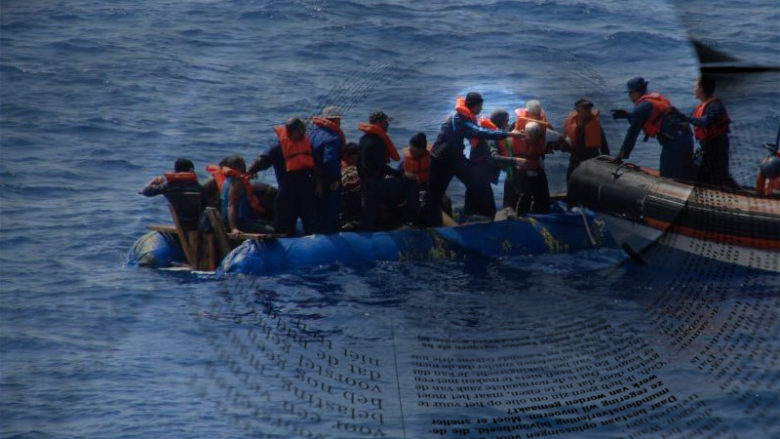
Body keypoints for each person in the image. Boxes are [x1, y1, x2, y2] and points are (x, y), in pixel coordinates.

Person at [420, 92, 524, 226]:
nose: (481, 109)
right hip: (441, 161)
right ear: (474, 106)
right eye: (480, 106)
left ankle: (477, 216)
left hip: (455, 158)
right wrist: (509, 134)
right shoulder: (460, 120)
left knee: (477, 181)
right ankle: (424, 224)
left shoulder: (463, 116)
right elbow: (481, 132)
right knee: (434, 195)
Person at [248, 117, 320, 236]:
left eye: (303, 130)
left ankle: (311, 241)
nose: (303, 133)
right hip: (287, 192)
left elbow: (316, 166)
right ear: (291, 132)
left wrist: (319, 184)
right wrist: (251, 170)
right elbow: (262, 160)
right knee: (284, 224)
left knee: (310, 222)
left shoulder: (307, 146)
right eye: (300, 131)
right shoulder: (278, 148)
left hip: (306, 190)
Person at [612, 77, 694, 179]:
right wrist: (628, 115)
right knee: (682, 173)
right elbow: (654, 118)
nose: (629, 96)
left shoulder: (641, 107)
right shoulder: (653, 101)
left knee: (668, 177)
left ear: (635, 92)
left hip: (675, 143)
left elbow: (631, 135)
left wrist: (620, 156)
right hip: (686, 137)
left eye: (630, 93)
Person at [357, 111, 417, 230]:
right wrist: (402, 174)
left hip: (365, 183)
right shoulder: (377, 141)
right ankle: (409, 222)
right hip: (376, 185)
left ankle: (367, 230)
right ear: (379, 122)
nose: (387, 124)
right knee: (410, 183)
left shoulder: (364, 139)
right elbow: (382, 167)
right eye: (386, 122)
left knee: (369, 211)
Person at [685, 76, 737, 187]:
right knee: (692, 164)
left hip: (716, 148)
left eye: (695, 87)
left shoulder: (715, 106)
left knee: (716, 175)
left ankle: (732, 190)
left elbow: (705, 121)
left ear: (701, 89)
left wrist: (686, 118)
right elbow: (692, 118)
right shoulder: (702, 106)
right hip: (705, 148)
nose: (693, 89)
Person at [310, 106, 346, 234]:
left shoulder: (313, 134)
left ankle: (315, 232)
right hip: (327, 180)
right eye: (339, 119)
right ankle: (329, 235)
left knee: (317, 209)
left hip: (313, 177)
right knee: (330, 209)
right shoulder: (332, 138)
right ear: (334, 120)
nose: (340, 122)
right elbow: (329, 160)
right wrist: (335, 178)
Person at [219, 155, 275, 236]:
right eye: (242, 164)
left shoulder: (228, 180)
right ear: (237, 167)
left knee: (272, 223)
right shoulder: (236, 183)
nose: (245, 167)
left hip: (238, 220)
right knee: (272, 230)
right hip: (238, 223)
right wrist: (234, 228)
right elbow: (231, 206)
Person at [140, 158, 204, 229]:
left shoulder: (168, 186)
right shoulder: (197, 187)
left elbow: (145, 191)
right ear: (190, 170)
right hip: (199, 225)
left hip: (181, 225)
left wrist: (154, 181)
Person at [504, 122, 551, 213]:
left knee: (542, 197)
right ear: (525, 133)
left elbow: (559, 138)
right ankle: (516, 212)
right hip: (520, 171)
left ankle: (540, 211)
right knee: (522, 195)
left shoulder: (547, 134)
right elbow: (506, 153)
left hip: (536, 170)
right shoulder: (513, 137)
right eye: (531, 136)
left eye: (536, 136)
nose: (533, 139)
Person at [563, 99, 610, 182]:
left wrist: (607, 164)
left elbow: (604, 146)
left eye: (589, 108)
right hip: (575, 161)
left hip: (591, 161)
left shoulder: (595, 125)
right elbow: (564, 144)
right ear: (577, 110)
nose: (588, 111)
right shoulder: (571, 124)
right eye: (585, 108)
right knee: (570, 181)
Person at [340, 142, 362, 229]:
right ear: (351, 156)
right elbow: (350, 180)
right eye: (357, 155)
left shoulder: (341, 164)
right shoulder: (348, 169)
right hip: (345, 202)